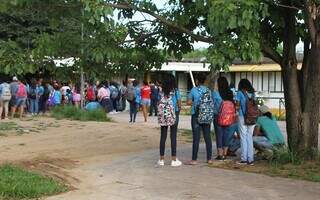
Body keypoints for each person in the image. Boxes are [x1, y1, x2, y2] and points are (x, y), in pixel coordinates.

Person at [186, 73, 213, 165]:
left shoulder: (194, 90)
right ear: (205, 81)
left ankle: (194, 159)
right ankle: (209, 159)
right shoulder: (208, 90)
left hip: (196, 116)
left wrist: (195, 102)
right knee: (207, 137)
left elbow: (189, 102)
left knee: (196, 138)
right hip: (207, 116)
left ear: (197, 80)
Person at [157, 74, 182, 167]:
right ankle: (174, 159)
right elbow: (179, 105)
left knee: (163, 136)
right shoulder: (176, 91)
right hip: (173, 114)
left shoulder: (161, 91)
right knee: (173, 136)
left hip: (163, 115)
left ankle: (161, 159)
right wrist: (177, 111)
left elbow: (158, 102)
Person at [213, 76, 237, 160]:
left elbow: (213, 105)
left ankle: (220, 154)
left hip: (218, 116)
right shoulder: (230, 92)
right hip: (228, 117)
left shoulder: (216, 93)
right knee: (226, 135)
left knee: (219, 135)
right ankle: (225, 153)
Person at [235, 78, 256, 165]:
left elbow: (237, 106)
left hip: (242, 117)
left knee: (243, 137)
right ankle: (250, 159)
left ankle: (244, 159)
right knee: (249, 137)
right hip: (252, 117)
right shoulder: (253, 93)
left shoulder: (239, 93)